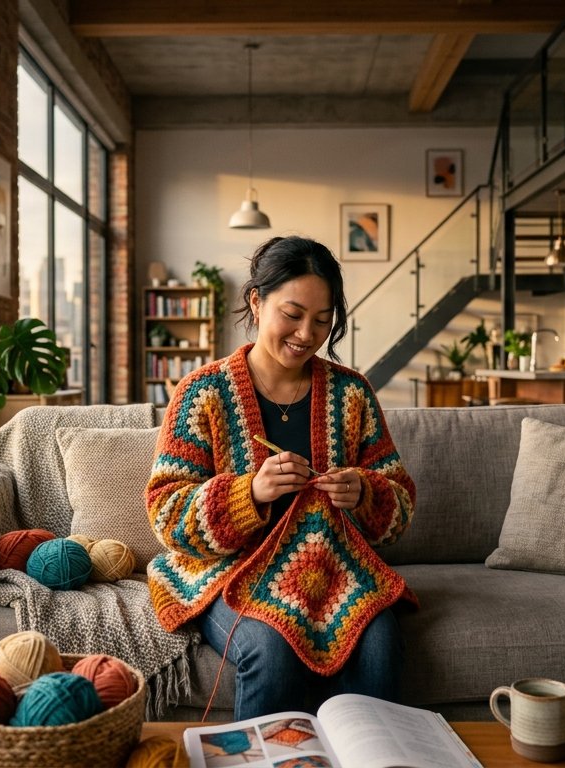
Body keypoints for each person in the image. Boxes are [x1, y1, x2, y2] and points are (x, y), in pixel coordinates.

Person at [146, 236, 417, 720]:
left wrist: (364, 493)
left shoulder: (352, 394)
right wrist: (247, 493)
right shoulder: (203, 393)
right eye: (292, 314)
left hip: (332, 570)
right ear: (256, 300)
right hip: (227, 570)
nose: (305, 333)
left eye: (321, 319)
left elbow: (398, 505)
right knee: (272, 648)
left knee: (381, 646)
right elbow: (167, 512)